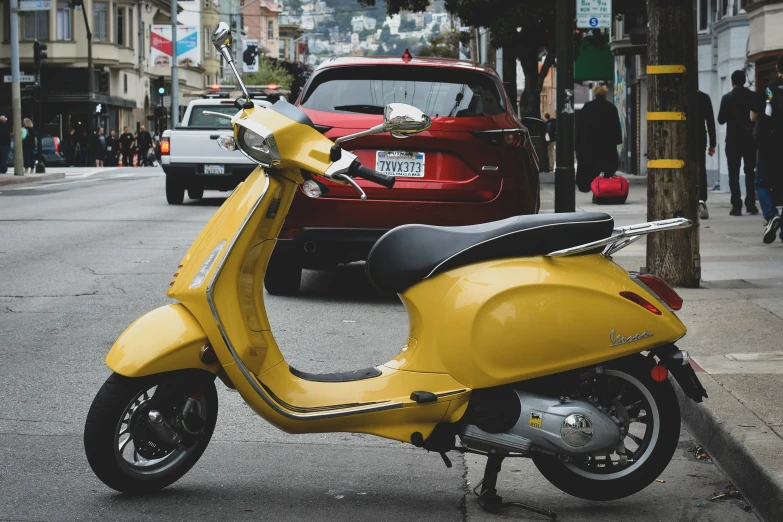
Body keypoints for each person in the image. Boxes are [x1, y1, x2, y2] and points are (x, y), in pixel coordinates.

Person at [752, 55, 783, 244]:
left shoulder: (768, 89)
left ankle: (771, 215)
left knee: (761, 183)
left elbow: (753, 116)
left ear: (777, 67)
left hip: (769, 143)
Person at [718, 70, 758, 216]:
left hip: (733, 140)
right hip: (749, 139)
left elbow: (721, 119)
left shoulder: (727, 98)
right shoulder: (752, 96)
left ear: (732, 82)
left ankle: (736, 206)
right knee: (750, 172)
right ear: (744, 81)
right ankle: (751, 204)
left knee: (733, 174)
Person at [576, 83, 623, 192]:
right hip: (606, 147)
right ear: (605, 94)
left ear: (595, 93)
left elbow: (579, 127)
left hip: (590, 147)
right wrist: (617, 140)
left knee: (591, 170)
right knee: (606, 170)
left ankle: (594, 188)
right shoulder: (611, 108)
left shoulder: (587, 107)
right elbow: (616, 127)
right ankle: (603, 188)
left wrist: (578, 144)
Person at [697, 91, 717, 219]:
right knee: (701, 169)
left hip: (681, 138)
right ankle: (701, 200)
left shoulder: (680, 96)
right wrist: (712, 143)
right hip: (699, 137)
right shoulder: (703, 97)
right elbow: (710, 121)